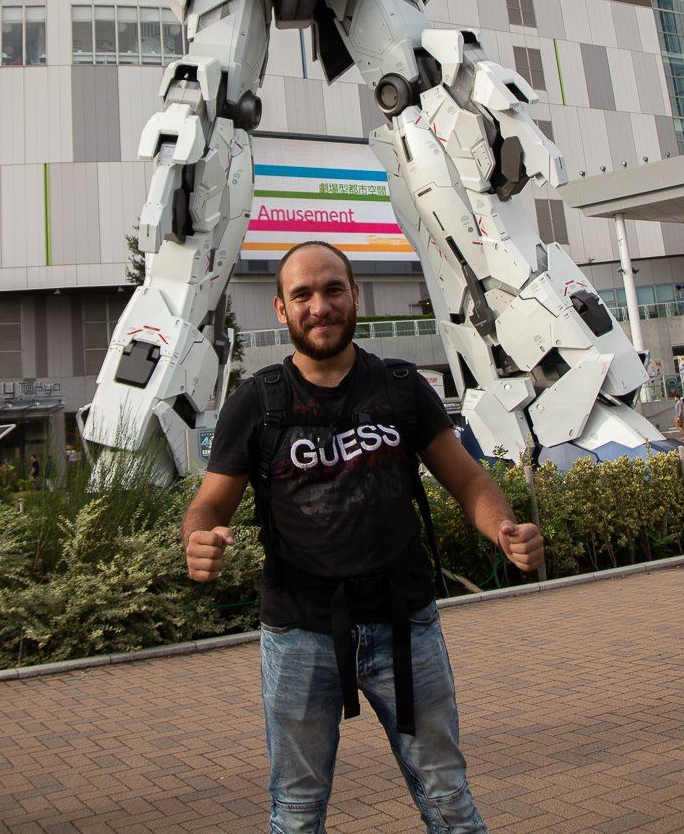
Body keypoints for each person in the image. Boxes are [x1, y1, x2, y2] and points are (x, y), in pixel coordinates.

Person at [183, 240, 544, 834]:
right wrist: (198, 540)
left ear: (356, 296)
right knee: (296, 815)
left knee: (449, 802)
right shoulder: (257, 402)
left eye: (332, 289)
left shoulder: (401, 388)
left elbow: (469, 480)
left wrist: (502, 529)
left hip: (405, 624)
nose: (318, 306)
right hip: (299, 633)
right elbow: (209, 504)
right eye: (302, 294)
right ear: (281, 308)